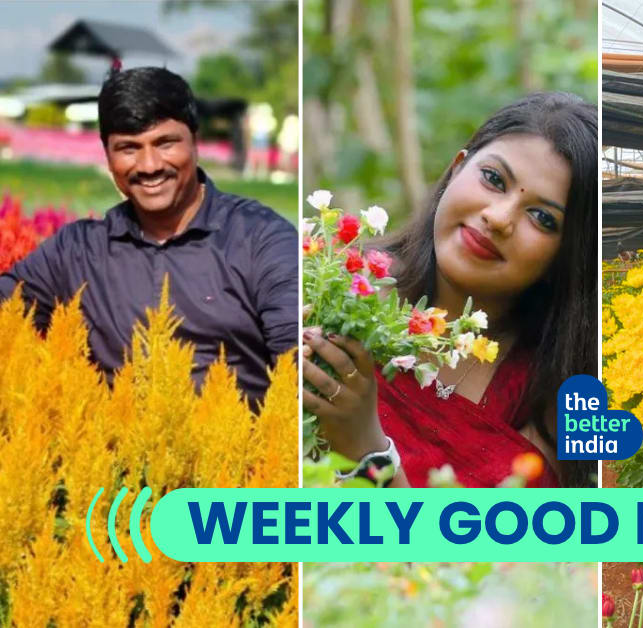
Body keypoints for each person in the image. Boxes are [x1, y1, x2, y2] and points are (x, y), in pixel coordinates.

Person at [301, 92, 597, 489]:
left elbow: (477, 552)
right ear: (457, 169)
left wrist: (364, 452)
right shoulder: (335, 291)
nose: (498, 218)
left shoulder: (551, 399)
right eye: (493, 179)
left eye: (542, 217)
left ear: (566, 255)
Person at [0, 67, 298, 405]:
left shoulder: (260, 239)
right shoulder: (77, 251)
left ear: (194, 142)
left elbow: (296, 359)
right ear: (108, 157)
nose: (150, 165)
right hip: (117, 451)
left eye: (165, 143)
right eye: (128, 148)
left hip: (242, 448)